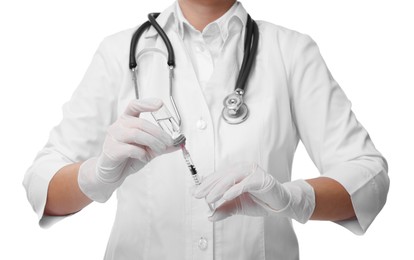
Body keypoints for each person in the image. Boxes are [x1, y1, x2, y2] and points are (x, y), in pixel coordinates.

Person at [23, 0, 390, 259]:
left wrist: (291, 198)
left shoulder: (291, 52)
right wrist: (97, 175)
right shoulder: (119, 52)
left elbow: (369, 178)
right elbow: (42, 185)